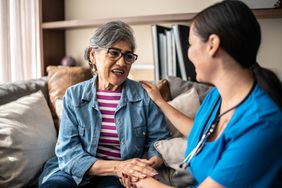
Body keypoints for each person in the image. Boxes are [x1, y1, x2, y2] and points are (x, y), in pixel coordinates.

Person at [131, 1, 282, 187]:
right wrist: (160, 101)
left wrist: (139, 178)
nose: (188, 53)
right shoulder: (217, 95)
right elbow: (200, 133)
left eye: (190, 44)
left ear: (212, 44)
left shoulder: (261, 122)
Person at [38, 20, 170, 188]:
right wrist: (118, 167)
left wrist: (148, 165)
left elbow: (159, 140)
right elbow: (68, 151)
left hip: (119, 178)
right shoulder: (74, 95)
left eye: (128, 56)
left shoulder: (144, 96)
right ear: (93, 55)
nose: (122, 63)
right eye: (114, 53)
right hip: (72, 172)